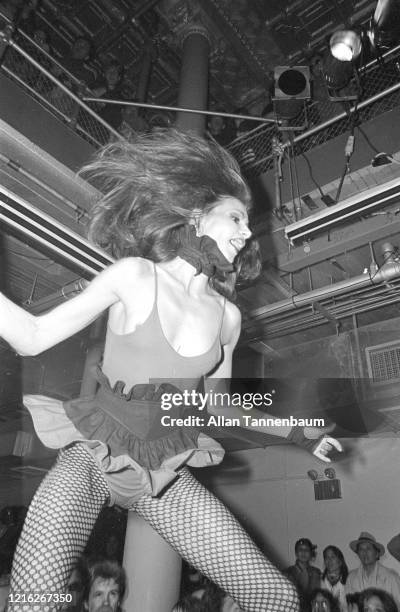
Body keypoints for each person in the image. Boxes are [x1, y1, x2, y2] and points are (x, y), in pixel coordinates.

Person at [1, 129, 341, 612]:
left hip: (162, 476)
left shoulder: (227, 318)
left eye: (250, 224)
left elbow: (219, 406)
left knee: (277, 597)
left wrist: (300, 433)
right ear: (197, 215)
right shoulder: (138, 276)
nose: (247, 232)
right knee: (34, 600)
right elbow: (31, 336)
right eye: (237, 217)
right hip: (92, 458)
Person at [346, 533, 400, 609]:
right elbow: (349, 606)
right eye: (361, 549)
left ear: (377, 554)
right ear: (358, 554)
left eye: (368, 548)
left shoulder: (391, 577)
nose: (364, 552)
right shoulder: (351, 577)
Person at [286, 538, 322, 610]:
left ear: (311, 553)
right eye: (300, 549)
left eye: (307, 550)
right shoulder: (287, 573)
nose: (303, 552)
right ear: (296, 553)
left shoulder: (316, 573)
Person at [321, 545, 349, 612]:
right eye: (326, 557)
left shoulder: (349, 580)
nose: (329, 560)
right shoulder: (319, 580)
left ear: (340, 561)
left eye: (333, 557)